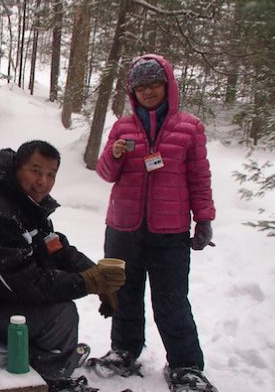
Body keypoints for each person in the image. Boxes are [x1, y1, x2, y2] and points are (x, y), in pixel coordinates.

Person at [0, 140, 126, 392]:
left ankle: (41, 354)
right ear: (16, 168)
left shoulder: (26, 203)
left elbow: (55, 247)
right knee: (60, 315)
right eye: (35, 171)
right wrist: (86, 283)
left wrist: (94, 275)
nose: (43, 181)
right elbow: (24, 284)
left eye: (51, 174)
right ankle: (52, 379)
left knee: (56, 308)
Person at [92, 54, 217, 390]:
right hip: (122, 228)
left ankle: (186, 365)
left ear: (168, 85)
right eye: (141, 86)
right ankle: (124, 351)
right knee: (122, 293)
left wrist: (203, 219)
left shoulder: (190, 127)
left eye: (154, 84)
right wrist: (114, 154)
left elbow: (199, 177)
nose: (148, 91)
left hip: (170, 230)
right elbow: (106, 174)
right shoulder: (122, 127)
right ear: (133, 91)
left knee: (172, 299)